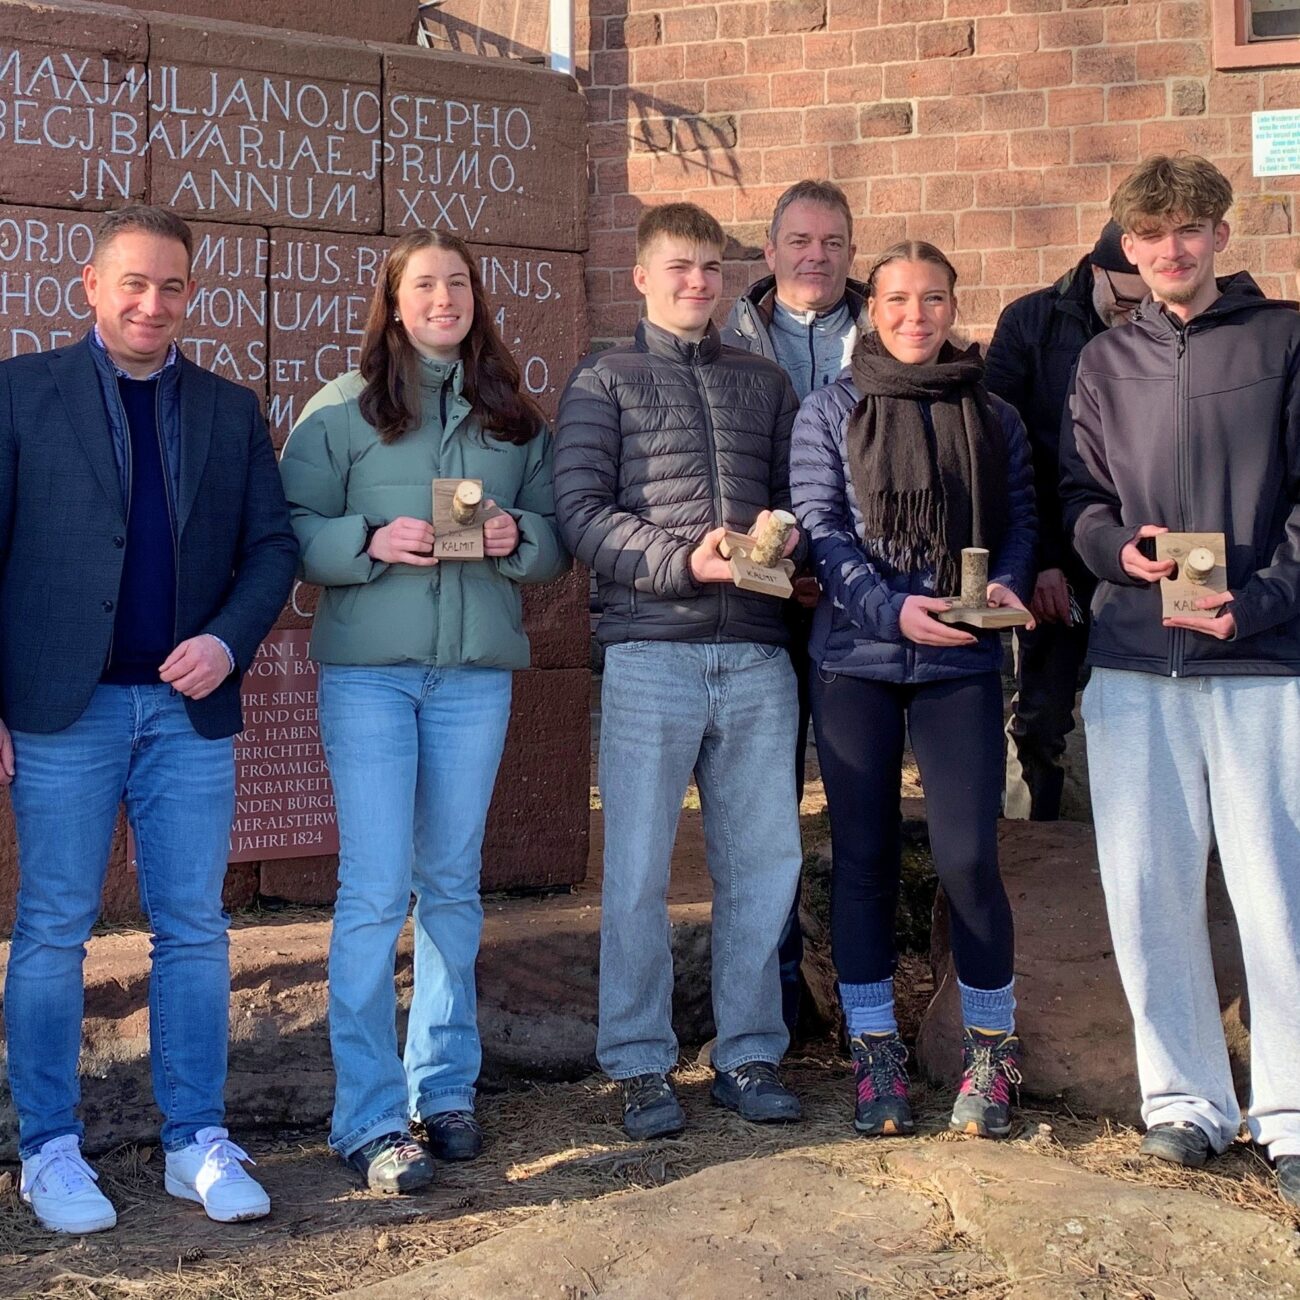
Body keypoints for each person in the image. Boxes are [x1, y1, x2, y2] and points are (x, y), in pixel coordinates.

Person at [0, 205, 297, 1233]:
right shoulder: (20, 393)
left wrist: (226, 641)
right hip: (60, 710)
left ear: (189, 295)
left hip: (186, 711)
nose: (151, 303)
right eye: (133, 283)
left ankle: (195, 1142)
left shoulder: (226, 408)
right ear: (89, 285)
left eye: (171, 286)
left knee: (194, 930)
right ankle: (46, 1148)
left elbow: (271, 549)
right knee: (50, 930)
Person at [279, 230, 566, 1194]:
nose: (445, 298)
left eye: (460, 283)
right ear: (394, 303)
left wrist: (513, 533)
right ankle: (367, 1117)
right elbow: (291, 531)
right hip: (370, 676)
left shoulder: (512, 417)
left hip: (473, 679)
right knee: (373, 889)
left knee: (451, 883)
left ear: (476, 299)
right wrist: (366, 537)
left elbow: (557, 540)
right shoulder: (341, 412)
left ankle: (443, 1088)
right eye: (425, 285)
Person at [1061, 154, 1300, 1204]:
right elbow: (1078, 496)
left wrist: (1256, 602)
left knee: (1276, 893)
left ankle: (1290, 1112)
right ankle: (1185, 1102)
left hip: (1256, 661)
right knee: (1148, 891)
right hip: (1132, 663)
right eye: (1150, 234)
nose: (1170, 249)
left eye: (1189, 229)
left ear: (1219, 235)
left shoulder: (1285, 338)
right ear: (1127, 246)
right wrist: (1123, 552)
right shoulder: (1103, 362)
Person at [555, 202, 804, 1140]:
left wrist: (792, 543)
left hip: (755, 653)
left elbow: (795, 494)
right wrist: (677, 562)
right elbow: (579, 510)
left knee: (761, 862)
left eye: (711, 268)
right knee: (637, 869)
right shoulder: (604, 380)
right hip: (650, 653)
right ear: (642, 276)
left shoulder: (763, 383)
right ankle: (638, 1063)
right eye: (679, 267)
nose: (697, 283)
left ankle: (747, 1053)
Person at [791, 240, 1035, 1140]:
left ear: (952, 305)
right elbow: (819, 528)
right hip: (857, 660)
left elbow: (1019, 520)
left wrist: (1004, 586)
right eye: (897, 299)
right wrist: (893, 612)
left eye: (933, 299)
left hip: (961, 664)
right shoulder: (828, 411)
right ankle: (874, 1049)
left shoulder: (994, 413)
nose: (915, 316)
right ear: (872, 307)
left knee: (969, 858)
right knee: (864, 858)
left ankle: (989, 1049)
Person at [721, 178, 862, 1037]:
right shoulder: (729, 338)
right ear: (768, 253)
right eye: (799, 242)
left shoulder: (887, 334)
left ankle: (864, 998)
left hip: (856, 609)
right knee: (763, 806)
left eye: (833, 243)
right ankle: (773, 998)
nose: (816, 257)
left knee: (853, 798)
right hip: (759, 609)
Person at [985, 222, 1147, 821]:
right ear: (1097, 270)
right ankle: (1037, 832)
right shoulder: (1029, 322)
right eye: (1127, 300)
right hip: (1055, 543)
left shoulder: (1161, 326)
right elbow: (1006, 449)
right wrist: (1042, 559)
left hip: (1133, 545)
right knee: (1045, 708)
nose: (1137, 312)